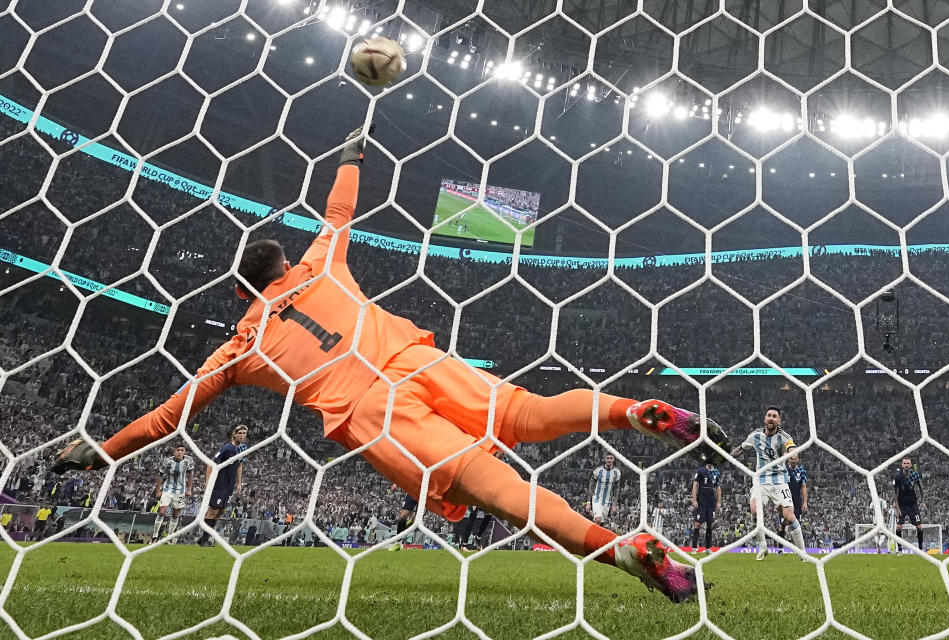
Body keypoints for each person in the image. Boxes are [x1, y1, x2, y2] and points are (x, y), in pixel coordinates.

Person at [51, 126, 730, 603]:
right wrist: (352, 153)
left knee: (499, 493)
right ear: (284, 265)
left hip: (375, 413)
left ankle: (624, 551)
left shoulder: (236, 348)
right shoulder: (319, 264)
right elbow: (340, 208)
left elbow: (167, 419)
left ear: (239, 292)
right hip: (415, 358)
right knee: (531, 413)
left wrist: (98, 453)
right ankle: (633, 412)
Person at [730, 406, 806, 560]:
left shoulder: (784, 437)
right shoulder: (755, 436)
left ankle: (803, 553)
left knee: (789, 517)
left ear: (779, 421)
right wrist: (728, 454)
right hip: (761, 480)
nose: (771, 418)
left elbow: (792, 449)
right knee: (755, 509)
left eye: (774, 416)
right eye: (769, 415)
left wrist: (793, 455)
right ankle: (762, 547)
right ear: (765, 419)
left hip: (780, 480)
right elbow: (740, 449)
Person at [197, 425, 247, 547]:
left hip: (229, 485)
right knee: (213, 510)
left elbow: (240, 466)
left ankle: (205, 536)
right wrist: (208, 481)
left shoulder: (243, 449)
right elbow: (211, 463)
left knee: (222, 510)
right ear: (234, 434)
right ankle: (204, 539)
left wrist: (239, 482)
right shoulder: (226, 448)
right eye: (239, 433)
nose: (242, 435)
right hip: (220, 483)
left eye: (244, 433)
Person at [151, 444, 195, 543]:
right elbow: (160, 475)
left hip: (180, 491)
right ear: (174, 452)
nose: (179, 452)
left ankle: (169, 537)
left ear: (185, 452)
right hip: (167, 489)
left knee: (175, 515)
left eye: (182, 450)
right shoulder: (168, 461)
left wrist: (189, 489)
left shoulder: (189, 460)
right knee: (162, 512)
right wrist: (158, 490)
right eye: (177, 450)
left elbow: (191, 473)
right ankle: (154, 536)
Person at [776, 455, 807, 553]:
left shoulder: (801, 470)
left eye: (795, 459)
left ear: (798, 459)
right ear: (788, 459)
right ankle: (780, 549)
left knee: (797, 523)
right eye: (791, 459)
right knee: (782, 524)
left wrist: (805, 502)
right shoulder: (784, 470)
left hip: (797, 501)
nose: (793, 461)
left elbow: (803, 486)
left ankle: (799, 549)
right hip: (785, 499)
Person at [894, 457, 925, 554]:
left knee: (919, 527)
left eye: (908, 463)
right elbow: (895, 492)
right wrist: (896, 507)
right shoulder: (897, 476)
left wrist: (922, 501)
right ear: (902, 465)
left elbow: (921, 488)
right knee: (898, 527)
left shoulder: (915, 475)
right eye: (905, 463)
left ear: (911, 465)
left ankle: (920, 549)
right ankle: (899, 550)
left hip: (912, 504)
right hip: (902, 504)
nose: (906, 465)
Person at [690, 462, 721, 552]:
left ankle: (708, 548)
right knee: (698, 523)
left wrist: (719, 501)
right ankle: (694, 547)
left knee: (710, 524)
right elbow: (695, 485)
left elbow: (718, 487)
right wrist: (695, 499)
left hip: (711, 501)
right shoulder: (700, 471)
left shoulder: (716, 472)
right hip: (701, 500)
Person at [588, 453, 621, 526]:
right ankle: (594, 536)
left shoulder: (617, 472)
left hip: (607, 501)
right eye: (607, 458)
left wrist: (614, 504)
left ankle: (596, 534)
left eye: (611, 458)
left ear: (614, 459)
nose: (609, 460)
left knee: (601, 523)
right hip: (597, 499)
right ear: (604, 459)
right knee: (598, 519)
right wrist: (588, 502)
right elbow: (591, 486)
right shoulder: (598, 470)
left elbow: (616, 489)